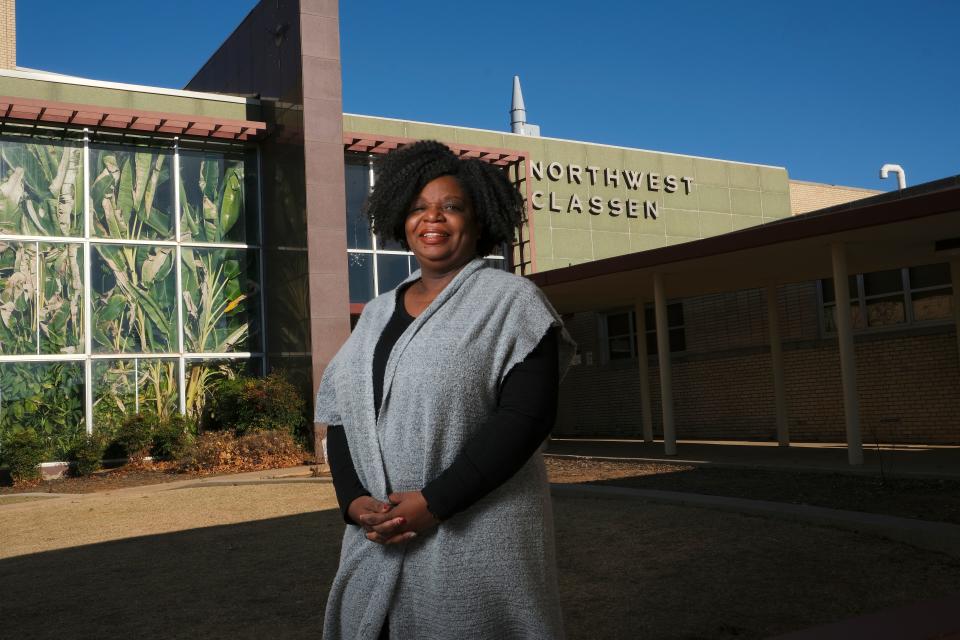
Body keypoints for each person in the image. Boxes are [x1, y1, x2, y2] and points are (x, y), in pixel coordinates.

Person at [315, 140, 574, 639]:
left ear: (479, 220)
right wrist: (352, 501)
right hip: (377, 538)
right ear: (400, 218)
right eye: (418, 207)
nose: (432, 218)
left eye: (451, 207)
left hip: (477, 539)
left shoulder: (512, 302)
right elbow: (342, 412)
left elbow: (526, 419)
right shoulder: (374, 314)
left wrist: (434, 502)